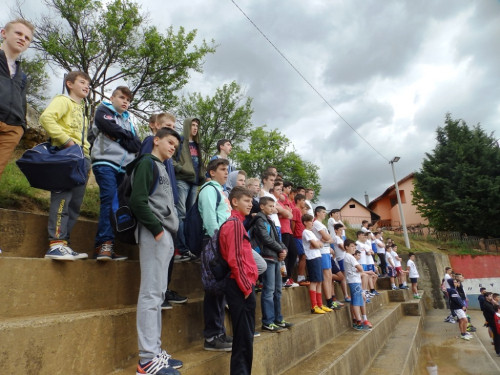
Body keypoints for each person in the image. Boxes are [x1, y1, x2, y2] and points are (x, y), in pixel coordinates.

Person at [128, 127, 183, 375]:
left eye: (176, 145)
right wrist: (157, 230)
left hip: (164, 235)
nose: (173, 147)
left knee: (158, 295)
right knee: (150, 294)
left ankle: (156, 352)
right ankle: (147, 360)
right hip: (154, 233)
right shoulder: (146, 163)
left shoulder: (162, 167)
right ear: (156, 140)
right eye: (170, 142)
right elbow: (138, 200)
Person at [40, 71, 92, 261]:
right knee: (62, 199)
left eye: (88, 83)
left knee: (75, 204)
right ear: (69, 84)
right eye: (82, 82)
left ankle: (64, 245)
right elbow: (46, 118)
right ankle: (56, 243)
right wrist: (66, 141)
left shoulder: (83, 108)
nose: (86, 86)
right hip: (66, 155)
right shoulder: (63, 100)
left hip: (82, 158)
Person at [139, 113, 186, 309]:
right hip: (157, 215)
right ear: (156, 127)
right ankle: (161, 292)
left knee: (169, 255)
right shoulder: (151, 146)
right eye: (168, 126)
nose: (172, 129)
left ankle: (164, 290)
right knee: (151, 288)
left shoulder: (168, 152)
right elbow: (142, 184)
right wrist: (156, 228)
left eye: (175, 126)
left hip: (169, 210)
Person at [91, 86, 141, 261]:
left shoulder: (129, 121)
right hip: (105, 162)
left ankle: (106, 247)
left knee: (117, 205)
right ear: (112, 98)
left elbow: (137, 145)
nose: (125, 101)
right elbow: (107, 126)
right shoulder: (104, 110)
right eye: (122, 97)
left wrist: (120, 136)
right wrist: (125, 137)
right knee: (109, 199)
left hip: (124, 168)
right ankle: (104, 243)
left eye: (128, 100)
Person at [219, 186, 259, 375]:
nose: (250, 204)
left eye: (251, 201)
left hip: (241, 284)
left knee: (245, 338)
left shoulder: (238, 223)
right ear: (234, 202)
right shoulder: (234, 224)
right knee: (243, 339)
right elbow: (235, 260)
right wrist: (247, 287)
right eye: (246, 200)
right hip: (239, 286)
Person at [199, 158, 233, 351]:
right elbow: (210, 219)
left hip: (222, 243)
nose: (226, 173)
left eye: (227, 169)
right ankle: (211, 337)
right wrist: (218, 243)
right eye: (222, 169)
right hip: (213, 243)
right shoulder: (209, 190)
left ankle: (220, 332)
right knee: (213, 291)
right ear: (212, 172)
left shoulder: (221, 191)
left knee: (220, 291)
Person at [247, 196, 292, 332]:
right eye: (271, 206)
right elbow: (265, 239)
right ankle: (268, 321)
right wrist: (280, 249)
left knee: (278, 290)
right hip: (267, 258)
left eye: (274, 206)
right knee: (269, 290)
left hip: (276, 258)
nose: (274, 208)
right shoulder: (260, 219)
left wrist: (284, 249)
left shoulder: (270, 219)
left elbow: (278, 238)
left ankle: (278, 319)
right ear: (262, 207)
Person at [0, 18, 34, 180]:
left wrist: (21, 127)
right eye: (19, 33)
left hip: (11, 130)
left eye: (27, 38)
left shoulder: (22, 76)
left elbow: (22, 102)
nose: (22, 38)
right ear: (4, 33)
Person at [173, 117, 206, 261]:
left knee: (190, 217)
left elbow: (199, 165)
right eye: (192, 125)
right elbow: (170, 159)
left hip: (194, 183)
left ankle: (189, 248)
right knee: (181, 215)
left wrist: (203, 177)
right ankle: (181, 248)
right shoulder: (179, 141)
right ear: (187, 126)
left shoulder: (198, 145)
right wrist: (181, 169)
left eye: (197, 126)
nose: (195, 128)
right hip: (182, 181)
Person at [312, 206, 341, 310]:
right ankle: (329, 300)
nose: (325, 214)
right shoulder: (316, 223)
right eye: (323, 212)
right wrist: (327, 239)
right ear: (318, 213)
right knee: (326, 276)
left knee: (329, 275)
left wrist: (326, 240)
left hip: (326, 251)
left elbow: (331, 239)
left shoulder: (322, 224)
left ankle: (331, 300)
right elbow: (328, 237)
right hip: (321, 252)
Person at [302, 214, 331, 314]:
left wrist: (318, 244)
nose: (312, 223)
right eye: (310, 221)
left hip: (318, 257)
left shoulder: (311, 233)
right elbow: (316, 244)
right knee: (314, 281)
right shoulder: (306, 232)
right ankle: (314, 305)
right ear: (305, 222)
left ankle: (320, 304)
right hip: (312, 258)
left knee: (319, 281)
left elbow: (320, 244)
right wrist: (317, 244)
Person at [272, 183, 298, 288]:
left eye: (280, 189)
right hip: (282, 230)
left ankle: (287, 278)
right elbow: (288, 214)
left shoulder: (281, 203)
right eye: (277, 189)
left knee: (293, 253)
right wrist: (285, 213)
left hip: (288, 231)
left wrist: (285, 212)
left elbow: (290, 215)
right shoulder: (274, 202)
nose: (280, 191)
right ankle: (283, 278)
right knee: (284, 255)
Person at [344, 240, 372, 330]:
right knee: (356, 302)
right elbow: (360, 268)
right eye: (352, 246)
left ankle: (356, 320)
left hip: (353, 281)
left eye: (355, 247)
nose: (354, 249)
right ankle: (359, 322)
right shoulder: (350, 257)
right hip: (354, 281)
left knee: (354, 301)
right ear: (346, 247)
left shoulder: (347, 257)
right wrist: (359, 268)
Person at [291, 193, 309, 286]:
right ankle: (300, 277)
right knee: (302, 256)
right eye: (303, 200)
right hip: (297, 236)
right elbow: (293, 223)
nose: (304, 202)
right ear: (298, 201)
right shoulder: (295, 210)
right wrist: (293, 233)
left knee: (303, 256)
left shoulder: (300, 211)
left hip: (300, 236)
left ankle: (301, 277)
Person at [333, 224, 350, 302]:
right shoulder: (336, 238)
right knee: (343, 277)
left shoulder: (341, 238)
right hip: (341, 258)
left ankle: (346, 295)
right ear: (336, 230)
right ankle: (346, 295)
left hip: (344, 257)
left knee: (345, 276)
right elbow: (343, 248)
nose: (341, 231)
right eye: (340, 230)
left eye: (342, 230)